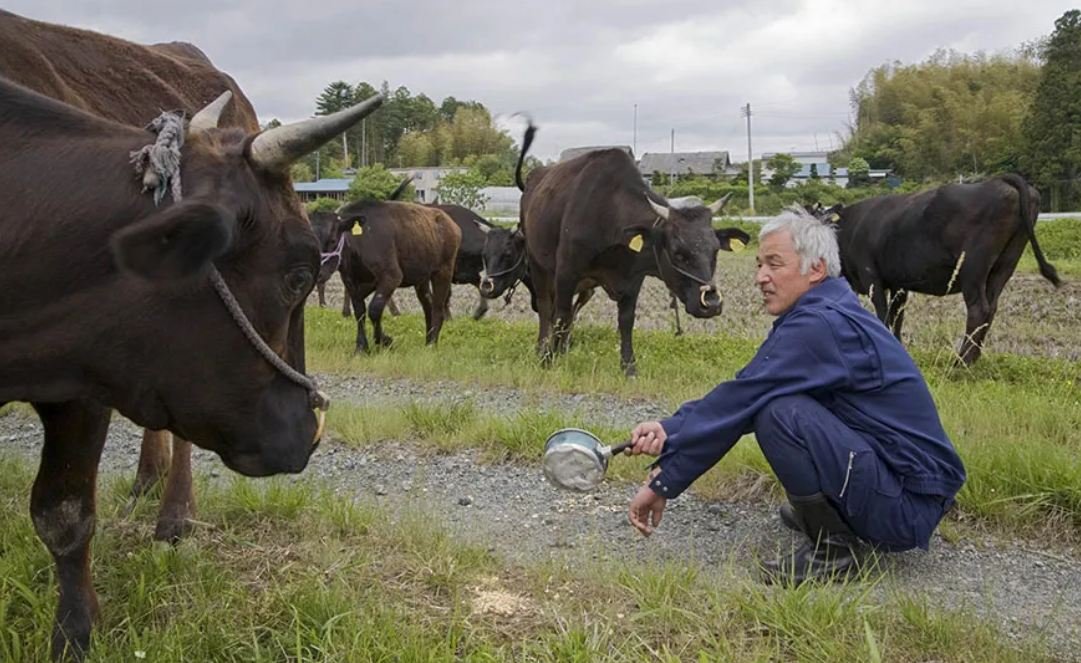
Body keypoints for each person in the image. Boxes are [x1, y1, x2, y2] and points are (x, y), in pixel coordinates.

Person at [625, 207, 966, 584]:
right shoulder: (826, 309)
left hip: (906, 505)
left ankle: (833, 551)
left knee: (778, 413)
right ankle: (832, 514)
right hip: (906, 489)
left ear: (816, 269)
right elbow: (746, 389)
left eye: (774, 264)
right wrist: (668, 439)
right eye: (758, 265)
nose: (760, 277)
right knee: (776, 401)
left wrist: (664, 471)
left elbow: (744, 399)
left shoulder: (821, 325)